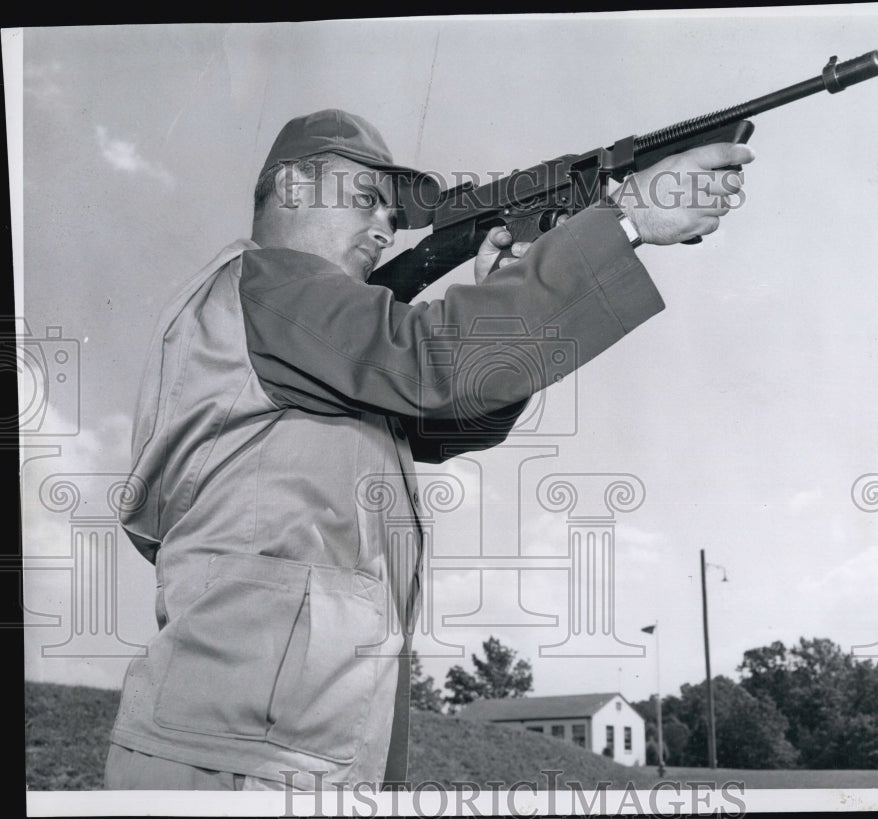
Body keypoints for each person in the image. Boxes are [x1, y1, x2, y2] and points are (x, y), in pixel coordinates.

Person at [104, 108, 752, 791]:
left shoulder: (285, 327)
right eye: (365, 201)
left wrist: (502, 287)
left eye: (392, 213)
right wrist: (625, 219)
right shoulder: (268, 283)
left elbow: (445, 413)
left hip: (267, 746)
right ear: (292, 186)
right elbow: (434, 365)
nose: (385, 228)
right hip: (237, 759)